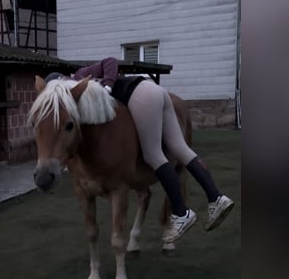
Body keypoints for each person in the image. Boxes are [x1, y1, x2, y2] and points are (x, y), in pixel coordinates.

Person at [44, 58, 234, 243]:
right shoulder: (75, 94)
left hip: (140, 94)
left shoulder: (78, 78)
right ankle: (216, 198)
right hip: (154, 91)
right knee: (180, 149)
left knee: (153, 155)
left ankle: (181, 212)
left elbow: (110, 62)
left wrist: (108, 87)